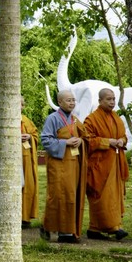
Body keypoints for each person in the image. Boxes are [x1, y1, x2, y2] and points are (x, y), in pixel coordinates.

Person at [40, 89, 88, 244]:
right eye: (68, 100)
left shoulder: (74, 120)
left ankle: (66, 230)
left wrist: (80, 141)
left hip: (73, 165)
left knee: (71, 196)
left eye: (73, 100)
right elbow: (46, 140)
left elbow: (85, 137)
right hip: (58, 164)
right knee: (58, 197)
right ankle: (55, 228)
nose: (72, 103)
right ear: (59, 102)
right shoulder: (52, 118)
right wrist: (64, 142)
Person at [84, 89, 131, 241]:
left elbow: (123, 135)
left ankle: (96, 229)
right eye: (108, 99)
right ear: (100, 101)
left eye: (113, 99)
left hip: (116, 163)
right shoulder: (91, 119)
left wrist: (122, 141)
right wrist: (107, 142)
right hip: (99, 165)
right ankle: (113, 228)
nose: (112, 102)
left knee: (114, 196)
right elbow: (88, 140)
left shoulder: (116, 118)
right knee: (102, 197)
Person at [20, 96, 40, 229]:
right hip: (15, 158)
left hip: (27, 158)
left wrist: (30, 137)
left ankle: (25, 217)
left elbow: (35, 135)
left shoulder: (26, 120)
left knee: (29, 186)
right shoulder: (6, 119)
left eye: (21, 105)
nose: (19, 107)